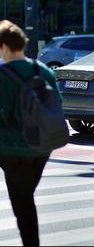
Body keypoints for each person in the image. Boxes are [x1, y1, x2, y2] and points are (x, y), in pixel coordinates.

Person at [0, 20, 58, 247]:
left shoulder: (3, 75)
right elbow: (56, 107)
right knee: (24, 198)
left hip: (13, 150)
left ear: (5, 47)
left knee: (23, 205)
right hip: (42, 149)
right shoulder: (43, 71)